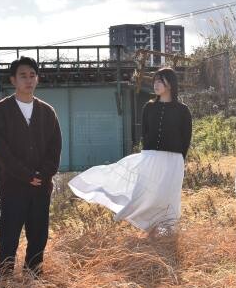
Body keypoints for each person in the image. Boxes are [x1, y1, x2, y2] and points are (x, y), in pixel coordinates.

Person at [69, 67, 192, 232]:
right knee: (144, 194)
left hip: (173, 161)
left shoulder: (183, 110)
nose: (155, 84)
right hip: (150, 158)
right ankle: (149, 230)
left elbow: (186, 138)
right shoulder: (149, 107)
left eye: (160, 81)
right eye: (155, 81)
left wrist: (179, 162)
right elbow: (145, 134)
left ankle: (168, 235)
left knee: (167, 198)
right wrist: (148, 155)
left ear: (170, 84)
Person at [0, 56, 62, 279]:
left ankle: (32, 283)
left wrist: (43, 174)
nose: (28, 80)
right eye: (23, 76)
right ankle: (2, 286)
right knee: (9, 238)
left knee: (38, 238)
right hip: (12, 187)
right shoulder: (1, 111)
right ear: (13, 80)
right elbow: (1, 152)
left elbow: (55, 149)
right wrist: (26, 175)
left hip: (41, 187)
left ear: (37, 79)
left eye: (32, 75)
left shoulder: (47, 112)